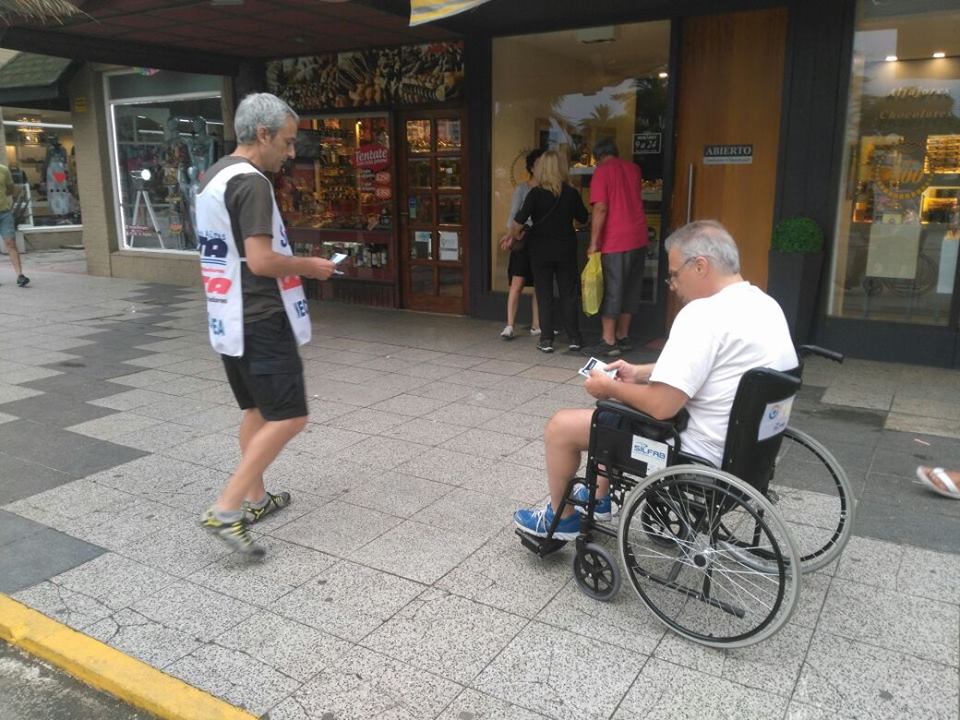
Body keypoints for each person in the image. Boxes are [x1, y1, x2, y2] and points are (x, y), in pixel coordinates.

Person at [515, 220, 799, 538]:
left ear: (700, 266)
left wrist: (610, 387)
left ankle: (561, 519)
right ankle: (599, 497)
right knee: (615, 416)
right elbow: (714, 368)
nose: (672, 285)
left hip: (694, 458)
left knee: (562, 426)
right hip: (746, 457)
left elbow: (662, 406)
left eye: (674, 274)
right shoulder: (764, 305)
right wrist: (639, 373)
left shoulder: (702, 314)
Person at [196, 93, 337, 558]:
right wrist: (310, 266)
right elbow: (260, 260)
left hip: (227, 313)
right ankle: (226, 508)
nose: (291, 152)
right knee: (290, 415)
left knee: (256, 411)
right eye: (287, 141)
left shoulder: (214, 175)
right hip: (259, 315)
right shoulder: (252, 182)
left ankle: (256, 499)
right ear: (263, 134)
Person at [508, 149, 588, 353]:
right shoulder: (571, 193)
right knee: (568, 293)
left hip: (540, 250)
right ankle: (574, 338)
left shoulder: (535, 193)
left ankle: (546, 339)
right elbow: (583, 218)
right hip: (565, 249)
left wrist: (517, 235)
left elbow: (518, 222)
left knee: (544, 294)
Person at [585, 138, 649, 357]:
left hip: (615, 239)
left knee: (613, 289)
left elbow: (601, 208)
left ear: (598, 157)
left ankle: (608, 341)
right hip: (638, 237)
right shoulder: (634, 169)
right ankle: (623, 336)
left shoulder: (602, 172)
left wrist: (593, 242)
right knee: (631, 288)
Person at [498, 148, 542, 340]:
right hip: (523, 238)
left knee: (540, 283)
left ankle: (536, 325)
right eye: (540, 164)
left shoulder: (549, 189)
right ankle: (509, 325)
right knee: (517, 282)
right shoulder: (522, 189)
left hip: (541, 240)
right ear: (532, 167)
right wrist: (510, 236)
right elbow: (513, 215)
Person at [0, 163, 28, 287]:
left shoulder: (3, 170)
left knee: (11, 243)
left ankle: (20, 276)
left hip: (4, 213)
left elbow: (10, 189)